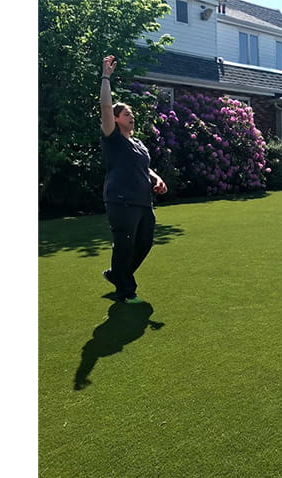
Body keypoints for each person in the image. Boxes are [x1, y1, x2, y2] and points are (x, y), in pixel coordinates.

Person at [99, 55, 167, 303]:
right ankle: (126, 291)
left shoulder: (137, 144)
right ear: (116, 119)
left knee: (145, 243)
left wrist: (156, 178)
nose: (131, 116)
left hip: (142, 201)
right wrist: (106, 76)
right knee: (124, 245)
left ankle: (117, 274)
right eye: (126, 113)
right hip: (120, 201)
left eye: (131, 113)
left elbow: (145, 168)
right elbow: (105, 106)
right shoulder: (112, 138)